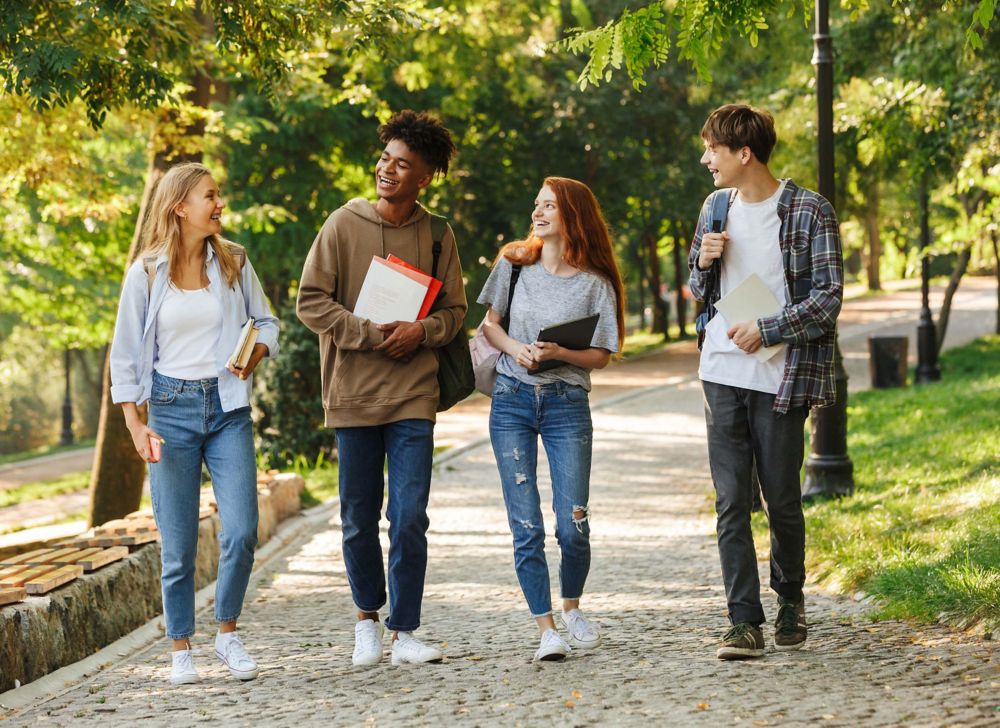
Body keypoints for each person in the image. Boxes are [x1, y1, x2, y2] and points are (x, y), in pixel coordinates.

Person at [296, 110, 465, 668]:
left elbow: (456, 312)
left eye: (403, 165)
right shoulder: (341, 224)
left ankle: (405, 631)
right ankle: (366, 617)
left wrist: (422, 330)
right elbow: (311, 301)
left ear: (425, 177)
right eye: (385, 159)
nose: (388, 170)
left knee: (410, 514)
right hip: (353, 394)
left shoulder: (439, 234)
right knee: (357, 516)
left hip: (414, 393)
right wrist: (368, 335)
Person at [110, 162, 279, 684]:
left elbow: (268, 321)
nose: (220, 203)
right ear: (180, 206)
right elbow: (124, 355)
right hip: (169, 411)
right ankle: (181, 646)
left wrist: (254, 356)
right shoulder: (145, 273)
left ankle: (227, 634)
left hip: (227, 408)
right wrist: (136, 425)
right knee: (178, 541)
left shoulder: (234, 261)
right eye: (211, 196)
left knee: (244, 529)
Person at [688, 104, 843, 660]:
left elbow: (827, 299)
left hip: (781, 376)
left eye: (713, 149)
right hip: (721, 372)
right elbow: (696, 287)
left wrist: (769, 327)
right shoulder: (714, 207)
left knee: (780, 497)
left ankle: (790, 599)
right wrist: (702, 264)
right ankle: (742, 621)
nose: (706, 159)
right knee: (731, 501)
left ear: (743, 152)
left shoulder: (808, 210)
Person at [477, 177, 625, 661]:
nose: (538, 212)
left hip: (566, 403)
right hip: (512, 400)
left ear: (572, 216)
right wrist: (517, 348)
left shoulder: (595, 282)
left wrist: (560, 351)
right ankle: (546, 628)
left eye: (549, 206)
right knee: (526, 525)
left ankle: (573, 607)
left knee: (572, 522)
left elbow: (602, 354)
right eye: (536, 204)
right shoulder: (514, 264)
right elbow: (489, 327)